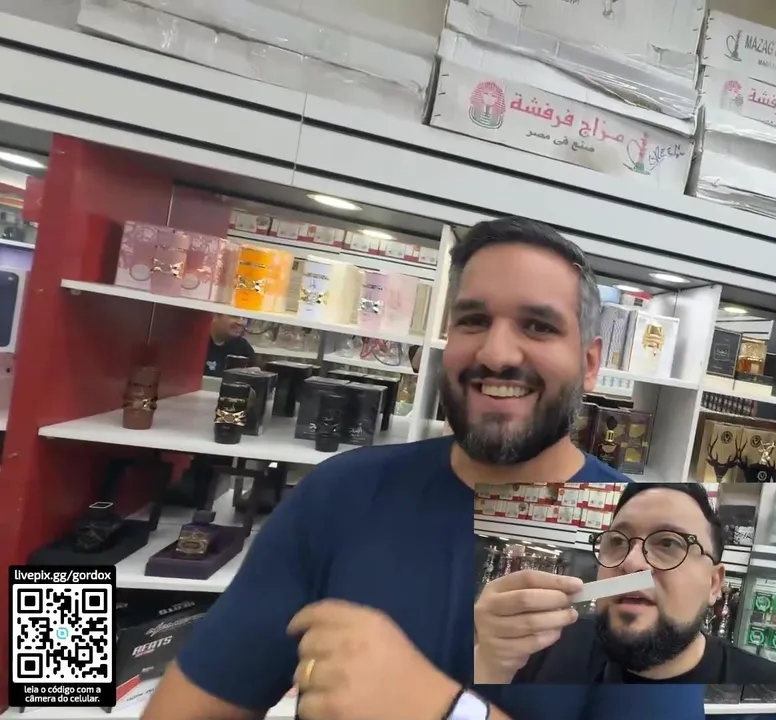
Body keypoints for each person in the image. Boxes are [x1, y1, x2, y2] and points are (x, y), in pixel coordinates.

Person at [144, 217, 706, 720]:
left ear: (590, 364)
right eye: (473, 320)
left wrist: (444, 709)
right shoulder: (340, 497)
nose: (496, 354)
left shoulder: (647, 548)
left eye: (538, 326)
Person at [481, 483, 776, 685]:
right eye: (617, 541)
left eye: (668, 543)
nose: (632, 563)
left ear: (713, 583)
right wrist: (487, 665)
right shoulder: (537, 648)